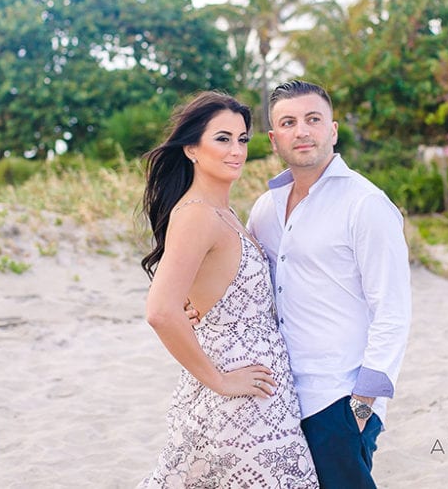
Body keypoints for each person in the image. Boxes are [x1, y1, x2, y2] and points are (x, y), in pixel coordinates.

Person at [137, 90, 318, 488]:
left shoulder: (226, 213)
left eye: (242, 139)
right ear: (191, 149)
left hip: (262, 394)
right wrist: (219, 381)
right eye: (222, 138)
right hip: (237, 401)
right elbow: (160, 311)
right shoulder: (197, 215)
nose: (236, 150)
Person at [247, 79, 412, 488]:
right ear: (273, 138)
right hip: (278, 397)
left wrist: (362, 407)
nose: (301, 131)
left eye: (313, 119)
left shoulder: (366, 204)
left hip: (337, 398)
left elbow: (391, 309)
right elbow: (245, 280)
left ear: (332, 130)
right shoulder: (265, 208)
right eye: (288, 122)